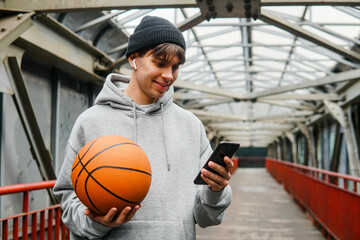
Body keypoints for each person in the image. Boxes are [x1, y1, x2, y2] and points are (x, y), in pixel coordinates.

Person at [53, 15, 233, 239]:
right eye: (159, 63)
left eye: (175, 67)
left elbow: (206, 218)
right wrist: (94, 222)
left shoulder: (191, 126)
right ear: (133, 59)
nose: (168, 75)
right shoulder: (91, 121)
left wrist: (215, 191)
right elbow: (68, 199)